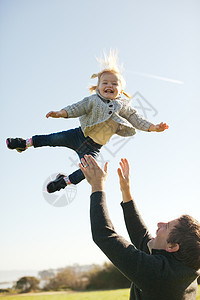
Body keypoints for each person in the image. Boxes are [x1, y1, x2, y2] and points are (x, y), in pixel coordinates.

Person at [6, 50, 168, 193]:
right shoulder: (93, 100)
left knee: (90, 170)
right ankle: (24, 143)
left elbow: (136, 119)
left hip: (94, 146)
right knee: (52, 138)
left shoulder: (123, 106)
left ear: (121, 90)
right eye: (105, 83)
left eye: (114, 83)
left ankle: (63, 182)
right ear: (98, 87)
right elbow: (77, 108)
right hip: (78, 135)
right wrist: (61, 113)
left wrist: (153, 127)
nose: (109, 86)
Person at [79, 155, 200, 300]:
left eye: (166, 227)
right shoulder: (182, 270)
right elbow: (142, 238)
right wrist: (126, 192)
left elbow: (104, 235)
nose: (159, 224)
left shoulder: (160, 275)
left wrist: (97, 186)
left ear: (173, 246)